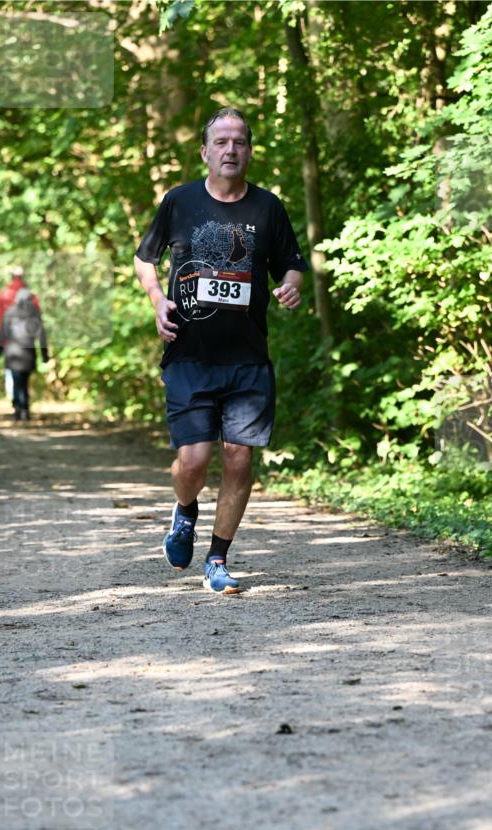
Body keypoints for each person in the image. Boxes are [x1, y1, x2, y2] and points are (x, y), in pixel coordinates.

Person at [134, 107, 308, 595]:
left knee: (238, 461)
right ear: (205, 152)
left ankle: (217, 558)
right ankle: (185, 511)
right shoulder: (179, 202)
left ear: (249, 152)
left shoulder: (267, 208)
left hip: (247, 359)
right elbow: (144, 259)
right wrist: (157, 300)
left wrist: (290, 287)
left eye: (240, 142)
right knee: (193, 460)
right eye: (222, 142)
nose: (231, 150)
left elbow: (292, 265)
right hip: (189, 354)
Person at [0, 288, 49, 420]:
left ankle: (19, 408)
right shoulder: (34, 314)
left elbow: (2, 336)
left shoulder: (10, 313)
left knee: (17, 381)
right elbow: (42, 336)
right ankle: (24, 409)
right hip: (28, 354)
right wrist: (44, 355)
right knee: (23, 382)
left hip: (13, 354)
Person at [0, 266, 42, 401]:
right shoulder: (31, 296)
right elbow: (38, 320)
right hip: (27, 342)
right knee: (24, 375)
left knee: (13, 373)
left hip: (9, 342)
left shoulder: (3, 294)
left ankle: (16, 402)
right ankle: (21, 403)